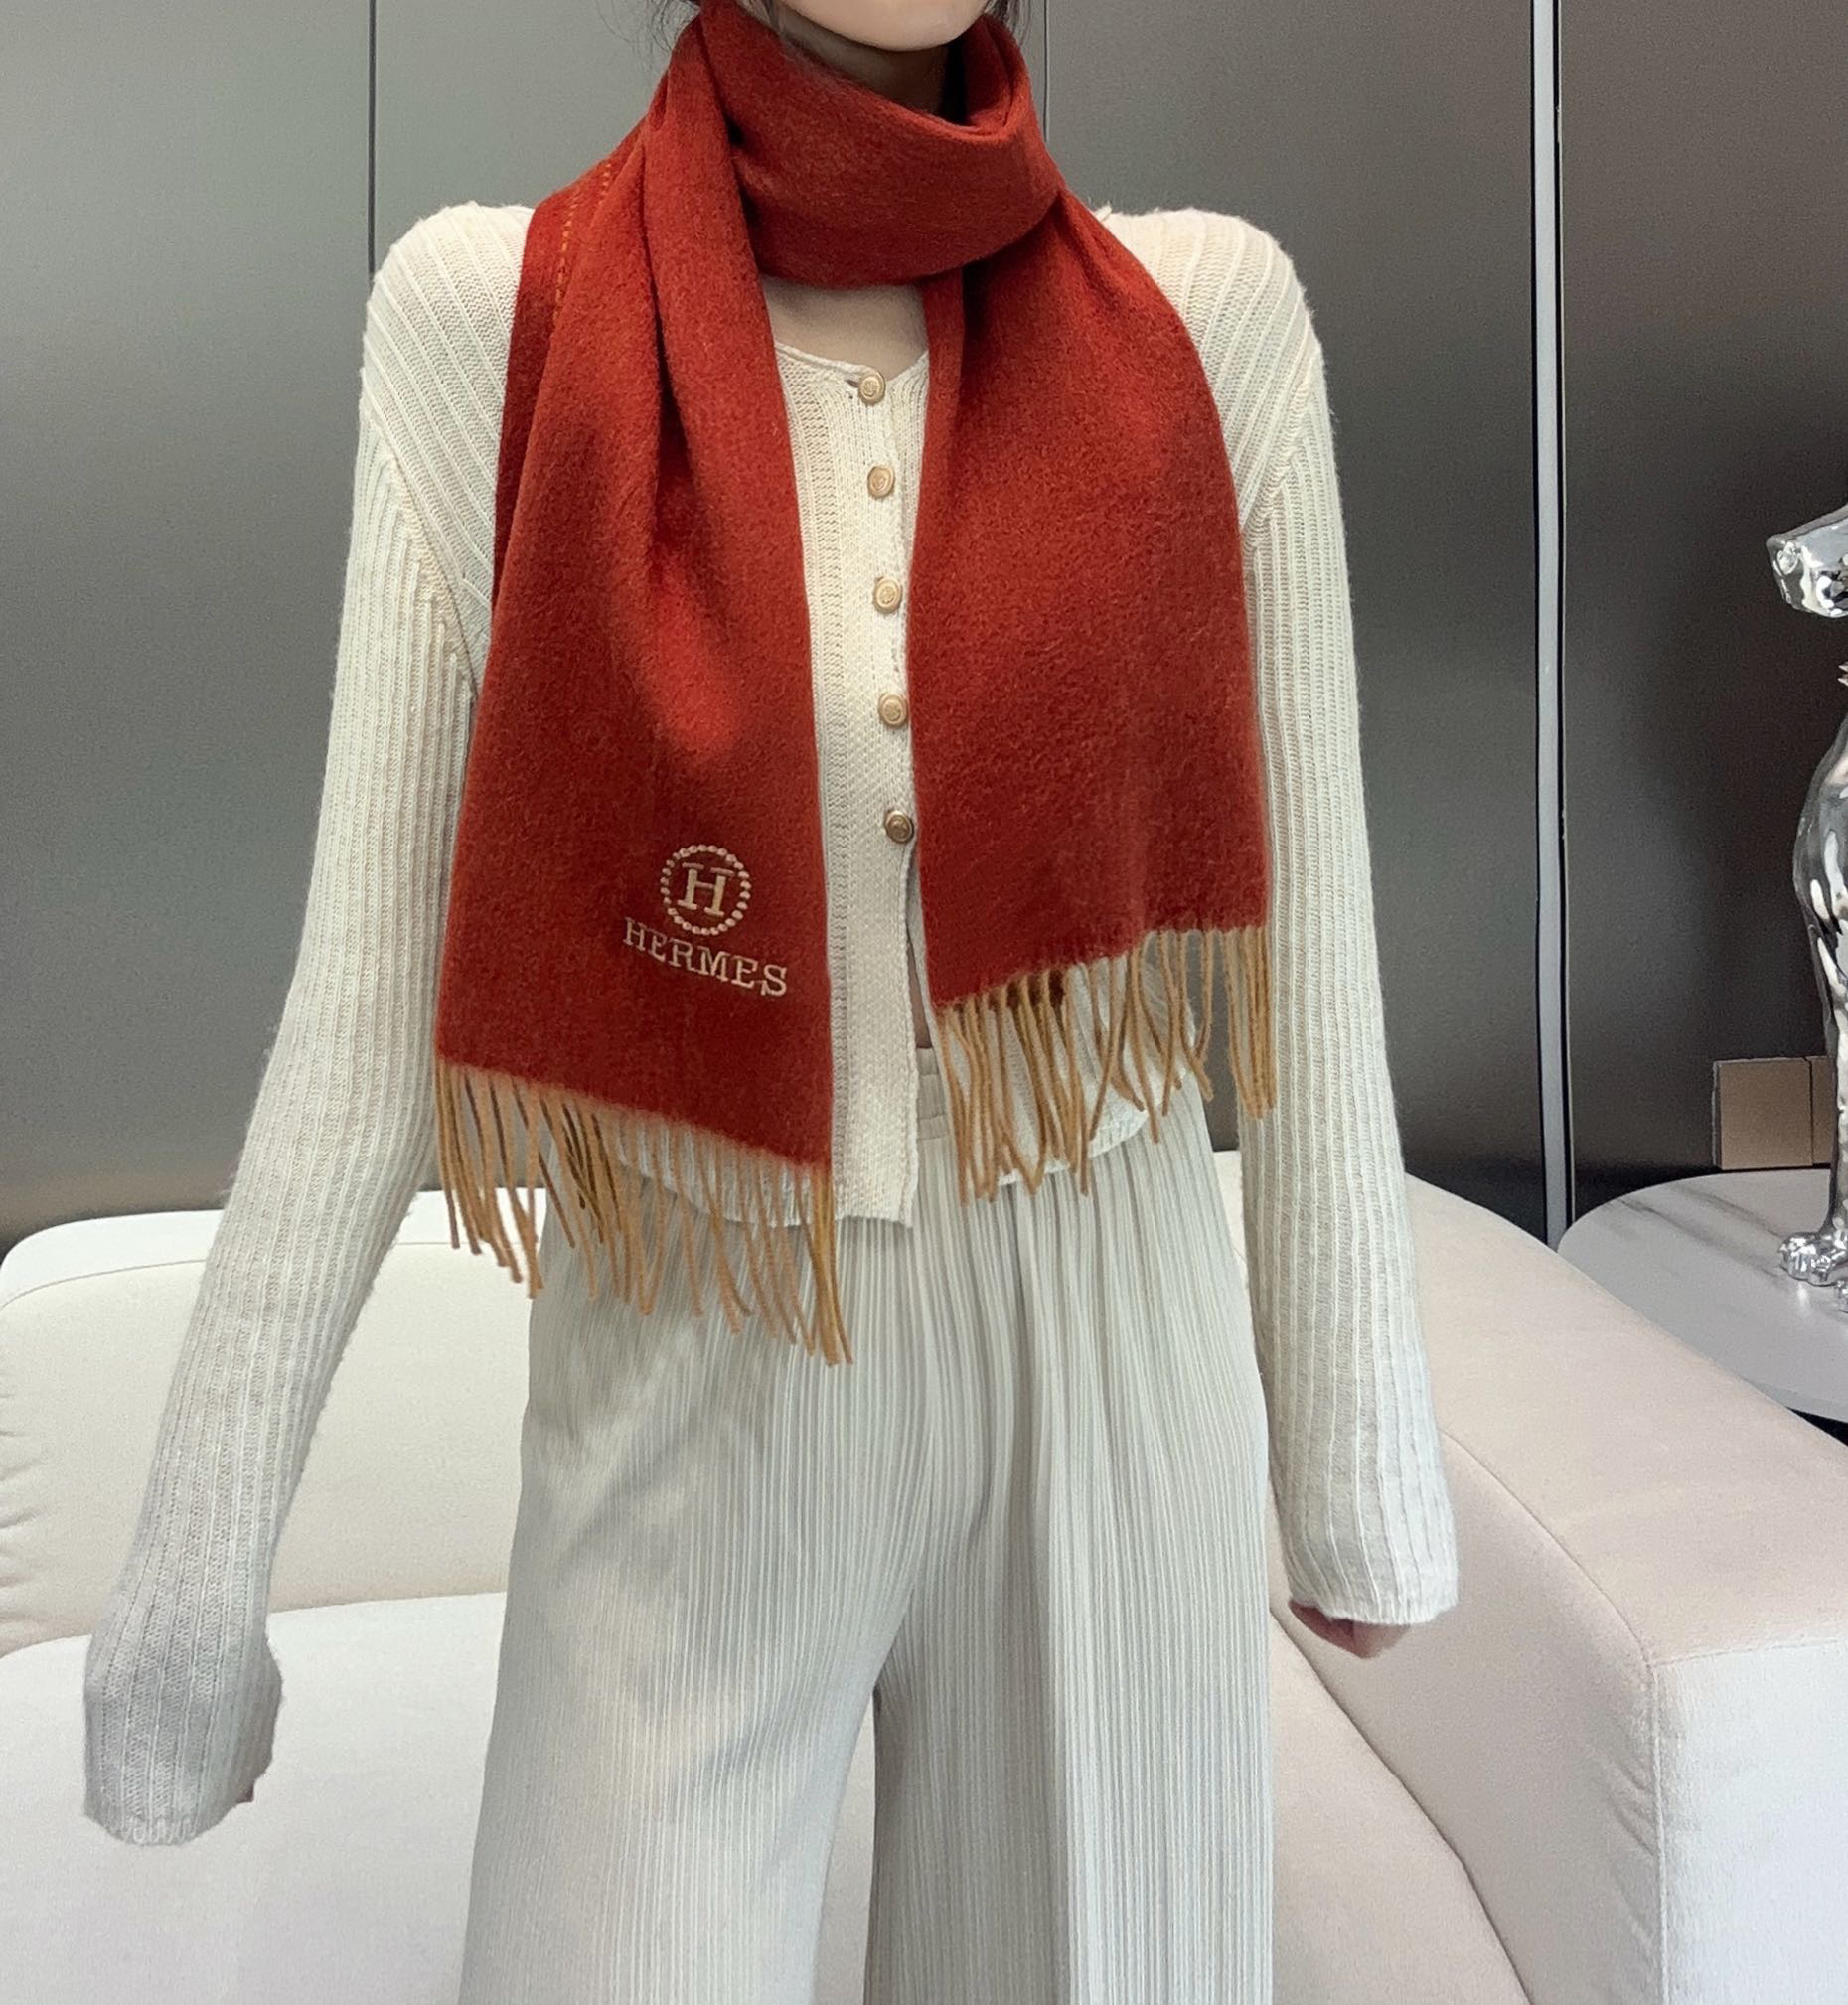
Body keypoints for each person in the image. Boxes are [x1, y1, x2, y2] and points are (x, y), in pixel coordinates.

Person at [82, 1, 1461, 1999]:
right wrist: (195, 1578)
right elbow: (372, 1007)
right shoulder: (491, 318)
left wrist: (1356, 1467)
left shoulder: (1208, 322)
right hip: (692, 1358)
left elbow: (1311, 944)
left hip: (1109, 1358)